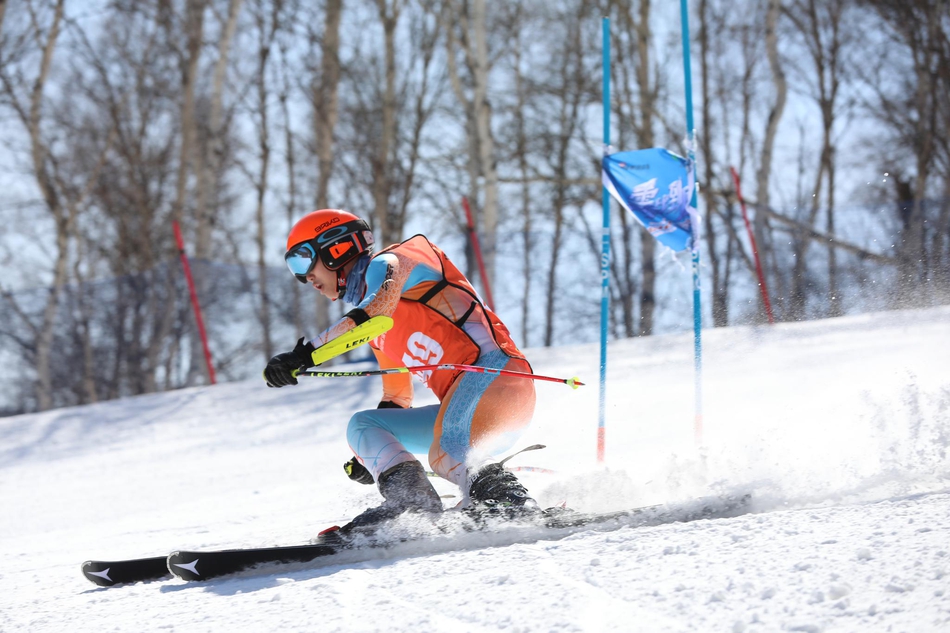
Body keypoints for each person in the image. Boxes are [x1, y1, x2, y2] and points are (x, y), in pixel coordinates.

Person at [263, 209, 538, 532]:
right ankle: (411, 504)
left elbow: (378, 305)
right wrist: (381, 460)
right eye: (293, 267)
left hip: (499, 380)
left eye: (303, 260)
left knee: (444, 451)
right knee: (364, 426)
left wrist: (304, 356)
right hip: (466, 409)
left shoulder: (395, 261)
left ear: (336, 248)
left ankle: (508, 500)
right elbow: (396, 397)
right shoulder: (377, 333)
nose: (303, 277)